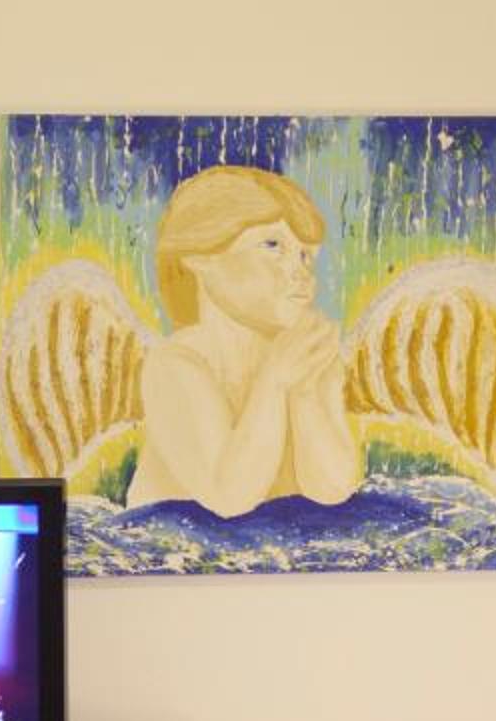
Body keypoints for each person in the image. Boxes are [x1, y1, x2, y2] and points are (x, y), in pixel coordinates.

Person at [125, 165, 362, 517]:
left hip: (274, 541)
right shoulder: (176, 363)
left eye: (305, 255)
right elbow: (228, 498)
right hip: (171, 538)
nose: (300, 272)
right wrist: (275, 381)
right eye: (273, 245)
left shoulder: (305, 354)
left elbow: (333, 489)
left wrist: (304, 390)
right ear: (200, 257)